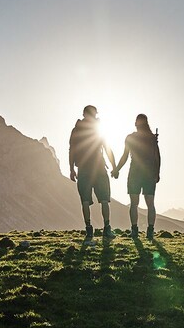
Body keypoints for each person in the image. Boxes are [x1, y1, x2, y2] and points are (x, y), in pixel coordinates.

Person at [69, 105, 117, 245]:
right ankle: (107, 228)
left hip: (83, 168)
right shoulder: (97, 128)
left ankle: (89, 229)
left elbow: (72, 150)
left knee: (85, 200)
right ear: (94, 114)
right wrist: (114, 167)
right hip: (99, 167)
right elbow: (107, 148)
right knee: (104, 199)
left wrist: (72, 169)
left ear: (84, 114)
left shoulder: (76, 129)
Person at [112, 113, 161, 240]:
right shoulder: (152, 138)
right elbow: (157, 157)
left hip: (135, 172)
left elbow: (125, 156)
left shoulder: (130, 138)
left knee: (134, 203)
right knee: (150, 203)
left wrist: (116, 169)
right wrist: (157, 173)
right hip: (149, 173)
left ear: (135, 123)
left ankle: (134, 230)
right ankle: (150, 231)